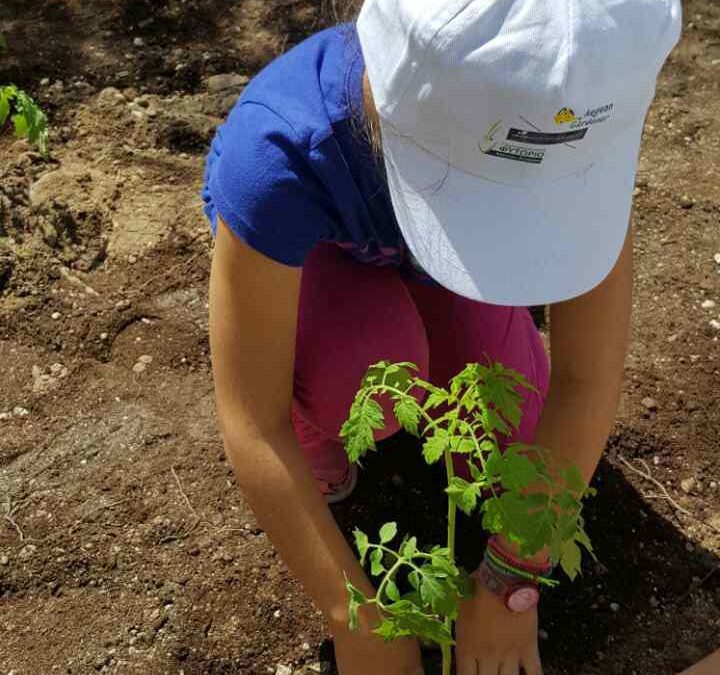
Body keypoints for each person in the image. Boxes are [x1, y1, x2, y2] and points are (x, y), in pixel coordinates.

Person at [201, 1, 682, 674]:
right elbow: (251, 418)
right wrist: (360, 618)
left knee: (520, 430)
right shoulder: (280, 151)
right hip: (315, 266)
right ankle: (325, 441)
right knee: (364, 367)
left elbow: (587, 379)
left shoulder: (585, 124)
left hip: (428, 269)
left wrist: (511, 574)